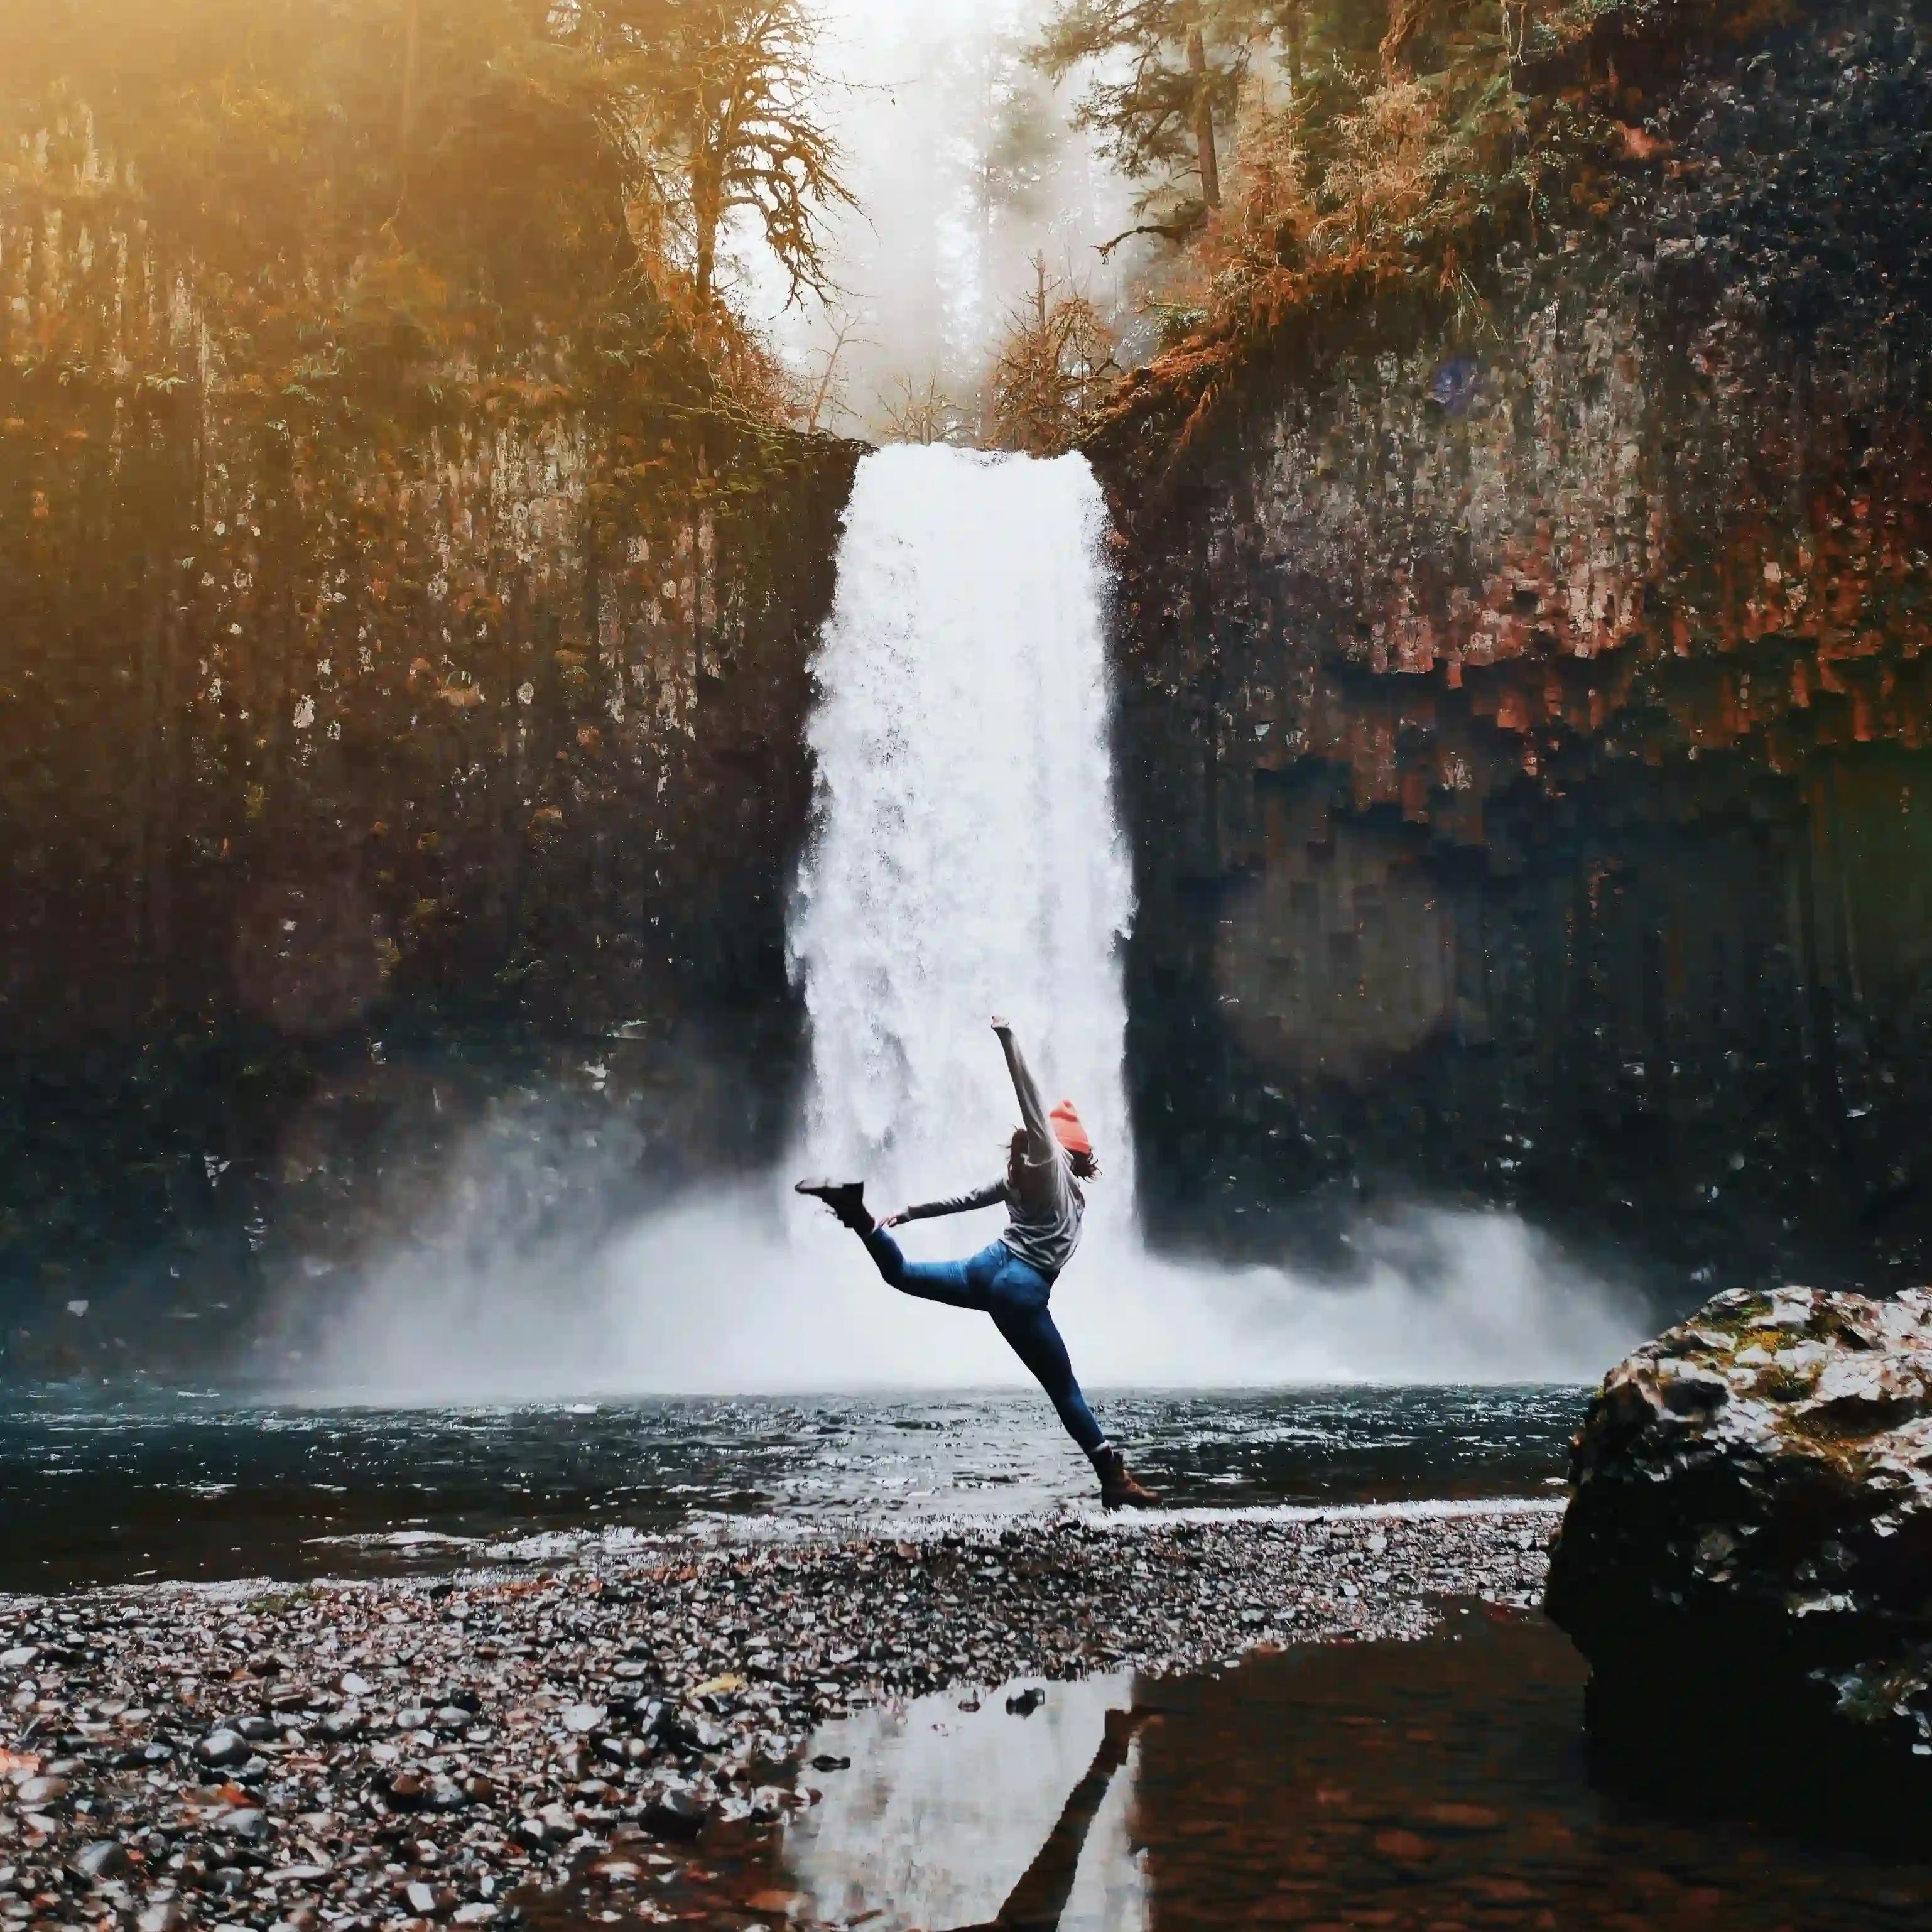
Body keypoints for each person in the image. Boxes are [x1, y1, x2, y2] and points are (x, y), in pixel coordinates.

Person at [796, 1017, 1158, 1509]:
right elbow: (1030, 1099)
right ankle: (1112, 1477)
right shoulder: (1052, 1169)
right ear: (1073, 1153)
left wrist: (907, 1212)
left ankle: (857, 1212)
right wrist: (1009, 1039)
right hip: (1021, 1288)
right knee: (1063, 1387)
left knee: (900, 1275)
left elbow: (964, 1199)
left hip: (988, 1267)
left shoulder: (1016, 1179)